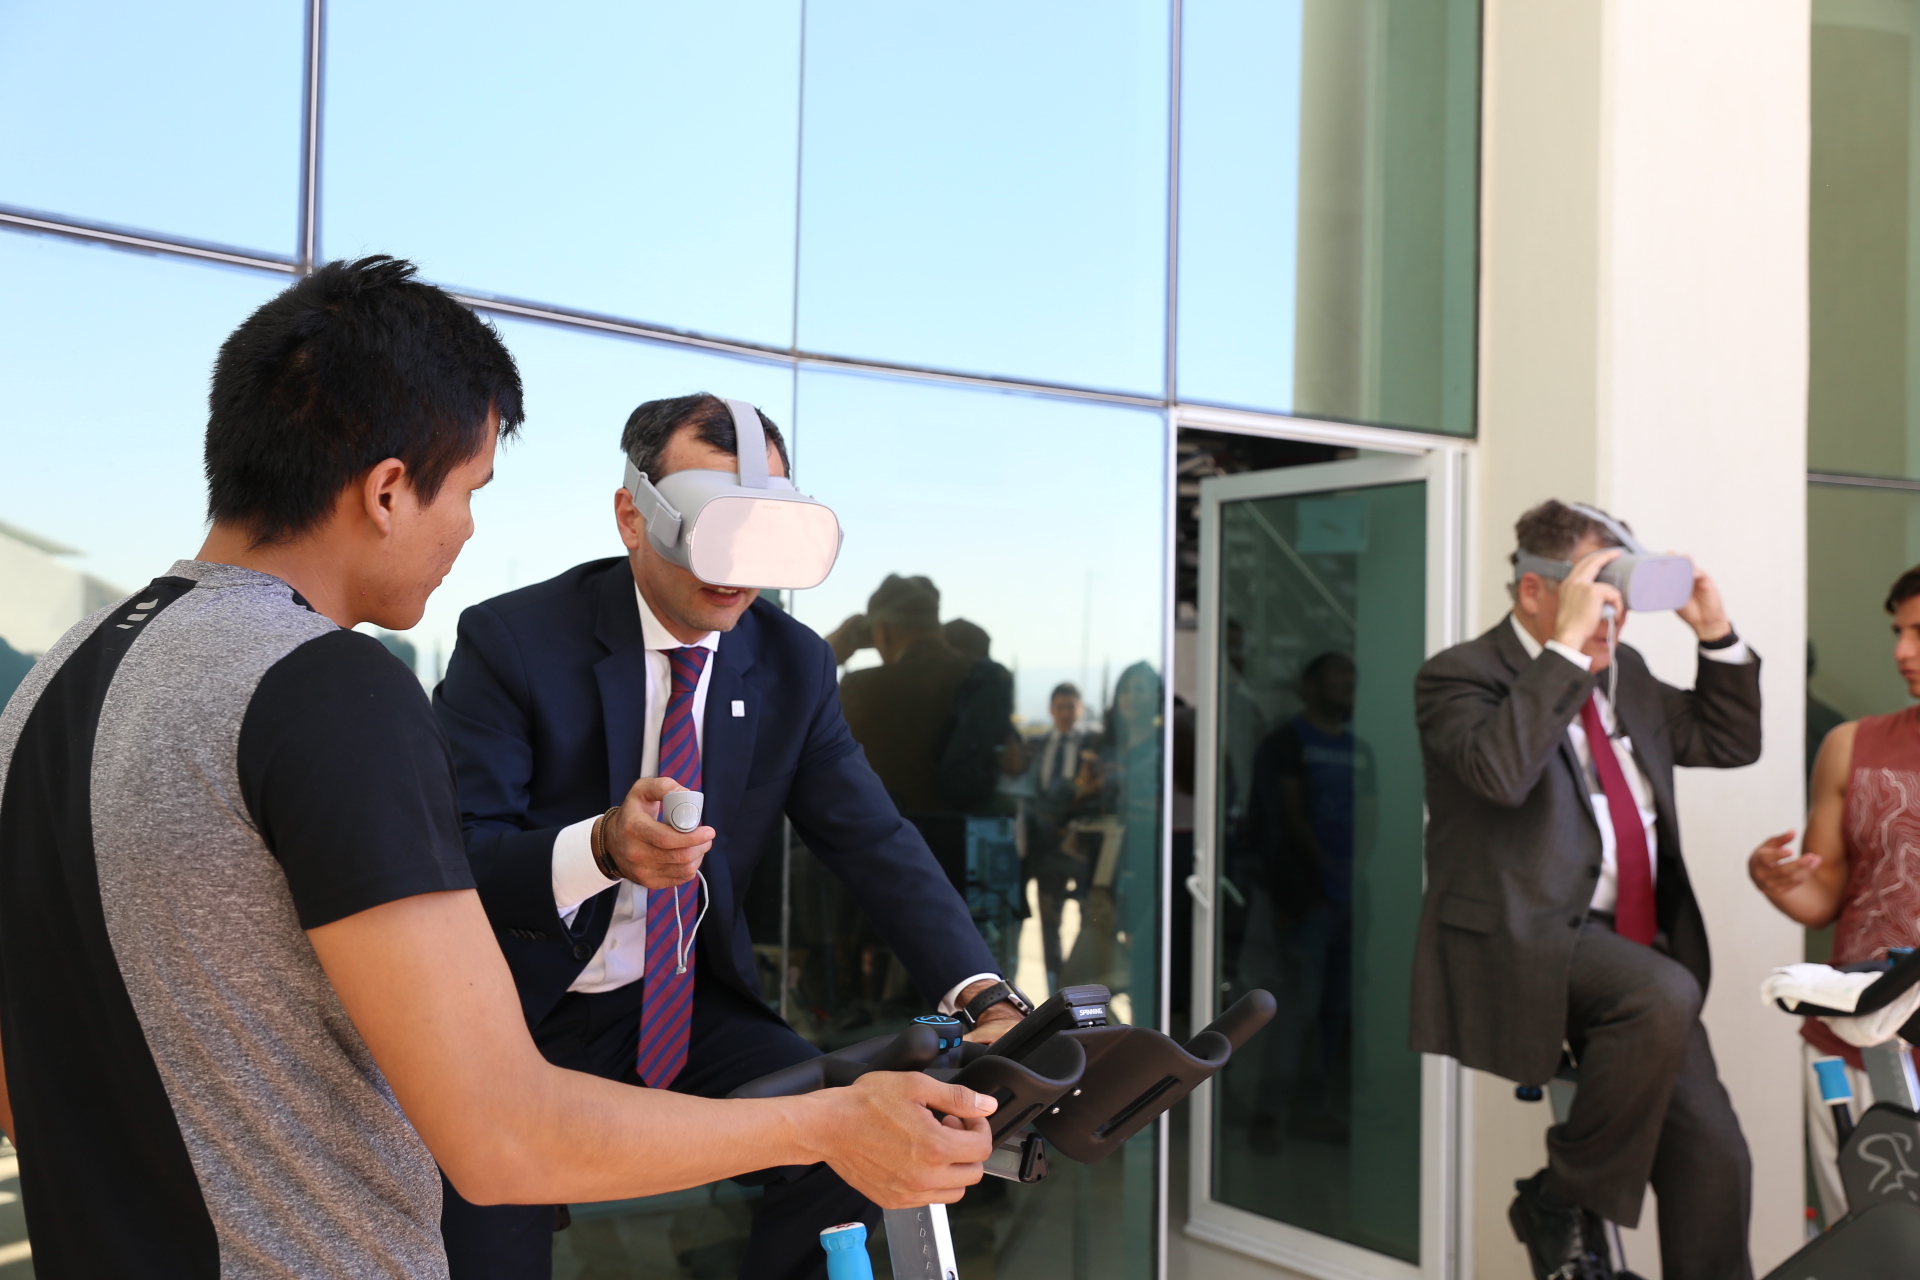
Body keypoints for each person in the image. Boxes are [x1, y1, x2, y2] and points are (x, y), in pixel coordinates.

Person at [0, 259, 996, 1280]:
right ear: (388, 489)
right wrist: (832, 1122)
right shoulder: (332, 690)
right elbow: (500, 1130)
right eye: (471, 490)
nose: (469, 529)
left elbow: (20, 1073)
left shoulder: (55, 677)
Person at [434, 402, 1026, 1280]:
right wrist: (601, 848)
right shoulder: (513, 641)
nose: (737, 566)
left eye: (761, 530)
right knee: (489, 1241)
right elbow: (459, 858)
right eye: (712, 523)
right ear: (633, 516)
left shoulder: (792, 663)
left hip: (679, 1007)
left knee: (849, 1144)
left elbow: (872, 839)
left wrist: (982, 993)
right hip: (516, 1010)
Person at [1411, 499, 1762, 1280]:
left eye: (1621, 598)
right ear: (1536, 591)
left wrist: (1714, 632)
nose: (1615, 618)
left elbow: (1729, 742)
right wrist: (1564, 654)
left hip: (1636, 950)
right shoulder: (1459, 676)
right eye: (1598, 597)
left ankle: (1561, 1197)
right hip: (1529, 936)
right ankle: (1564, 1197)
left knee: (1714, 1157)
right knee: (1663, 991)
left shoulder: (1625, 673)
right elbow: (1499, 775)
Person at [1748, 564, 1920, 1223]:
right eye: (1898, 632)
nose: (1902, 651)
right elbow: (1825, 897)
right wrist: (1781, 883)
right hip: (1858, 1045)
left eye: (1919, 633)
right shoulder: (1851, 746)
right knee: (1869, 1244)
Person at [1239, 652, 1373, 1146]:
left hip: (1349, 899)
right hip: (1305, 898)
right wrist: (1320, 876)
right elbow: (1286, 819)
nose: (1348, 687)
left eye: (1352, 679)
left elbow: (1371, 818)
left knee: (1336, 1008)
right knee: (1296, 1008)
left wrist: (1354, 873)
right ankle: (1269, 1113)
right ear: (1310, 686)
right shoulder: (1286, 743)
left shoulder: (1361, 751)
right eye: (1338, 678)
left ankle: (1314, 1110)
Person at [1022, 683, 1097, 989]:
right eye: (1060, 707)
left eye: (1071, 707)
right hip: (1046, 845)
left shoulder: (1093, 744)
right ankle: (1057, 989)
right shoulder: (1037, 745)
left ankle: (1080, 983)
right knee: (1049, 918)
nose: (1066, 713)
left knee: (1089, 916)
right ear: (1051, 710)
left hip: (1081, 843)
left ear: (1080, 709)